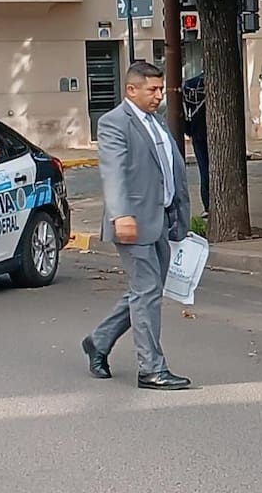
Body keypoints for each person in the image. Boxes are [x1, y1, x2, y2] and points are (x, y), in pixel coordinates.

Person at [82, 61, 192, 390]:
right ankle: (151, 368)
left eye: (160, 89)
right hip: (133, 221)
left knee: (146, 291)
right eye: (152, 90)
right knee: (146, 293)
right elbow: (113, 171)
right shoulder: (115, 123)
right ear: (131, 90)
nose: (159, 95)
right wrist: (121, 215)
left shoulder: (155, 121)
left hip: (160, 218)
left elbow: (168, 168)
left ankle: (98, 341)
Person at [182, 70, 208, 216]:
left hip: (197, 132)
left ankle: (207, 206)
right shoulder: (213, 84)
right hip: (206, 132)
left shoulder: (190, 85)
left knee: (204, 171)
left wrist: (188, 130)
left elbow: (186, 110)